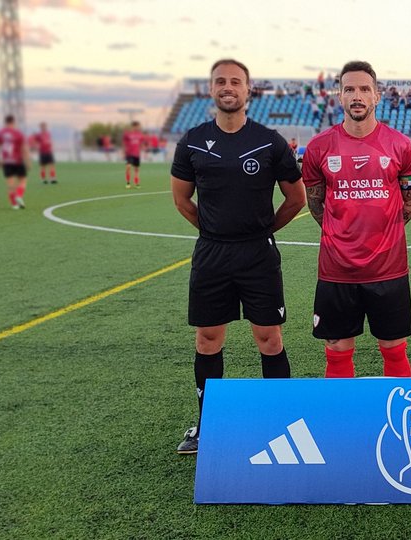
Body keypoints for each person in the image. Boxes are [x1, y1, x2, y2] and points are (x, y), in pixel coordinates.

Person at [170, 58, 306, 454]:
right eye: (220, 81)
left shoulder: (269, 140)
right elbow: (182, 200)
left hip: (258, 255)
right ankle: (207, 423)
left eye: (235, 81)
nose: (228, 87)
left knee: (269, 338)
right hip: (211, 254)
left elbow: (295, 198)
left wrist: (261, 231)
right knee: (208, 339)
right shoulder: (193, 140)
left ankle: (279, 421)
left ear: (249, 91)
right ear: (211, 90)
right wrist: (215, 231)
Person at [302, 60, 411, 379]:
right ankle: (341, 424)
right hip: (336, 270)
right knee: (338, 350)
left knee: (394, 347)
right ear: (339, 96)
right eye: (349, 89)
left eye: (364, 89)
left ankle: (397, 424)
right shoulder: (318, 147)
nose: (357, 95)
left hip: (389, 267)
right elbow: (316, 205)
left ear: (377, 96)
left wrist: (384, 232)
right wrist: (339, 234)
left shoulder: (401, 145)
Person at [0, 115, 28, 210]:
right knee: (23, 180)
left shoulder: (0, 133)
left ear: (5, 122)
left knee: (10, 184)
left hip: (6, 162)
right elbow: (24, 148)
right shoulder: (18, 133)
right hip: (18, 161)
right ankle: (19, 195)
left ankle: (14, 205)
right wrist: (27, 161)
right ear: (13, 122)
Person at [123, 121, 145, 188]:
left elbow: (141, 144)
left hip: (137, 154)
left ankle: (136, 183)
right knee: (128, 167)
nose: (138, 128)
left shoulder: (140, 135)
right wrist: (123, 151)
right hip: (129, 153)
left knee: (136, 169)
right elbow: (124, 143)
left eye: (138, 126)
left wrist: (144, 151)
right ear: (133, 126)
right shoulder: (127, 134)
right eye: (137, 126)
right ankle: (128, 182)